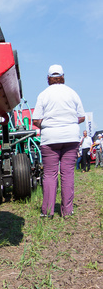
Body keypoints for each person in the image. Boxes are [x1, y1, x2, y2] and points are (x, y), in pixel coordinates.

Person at [32, 64, 85, 219]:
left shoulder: (43, 94)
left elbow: (35, 119)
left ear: (48, 78)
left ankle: (47, 211)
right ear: (63, 77)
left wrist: (48, 124)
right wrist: (68, 121)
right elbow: (81, 116)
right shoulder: (72, 93)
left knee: (50, 174)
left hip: (50, 138)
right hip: (71, 137)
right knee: (67, 173)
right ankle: (67, 212)